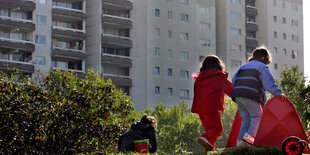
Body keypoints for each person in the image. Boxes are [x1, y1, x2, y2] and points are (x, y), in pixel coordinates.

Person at [231, 46, 287, 146]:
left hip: (238, 95)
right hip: (250, 95)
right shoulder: (262, 67)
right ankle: (249, 140)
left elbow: (234, 80)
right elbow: (268, 83)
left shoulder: (243, 67)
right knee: (258, 116)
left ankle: (239, 142)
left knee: (246, 119)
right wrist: (278, 93)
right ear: (265, 59)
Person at [191, 55, 233, 152]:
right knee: (218, 129)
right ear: (219, 65)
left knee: (210, 134)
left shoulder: (199, 79)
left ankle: (209, 151)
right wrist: (239, 97)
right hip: (211, 107)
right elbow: (231, 90)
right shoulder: (219, 77)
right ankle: (204, 137)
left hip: (200, 109)